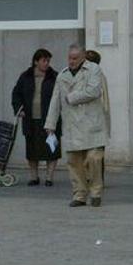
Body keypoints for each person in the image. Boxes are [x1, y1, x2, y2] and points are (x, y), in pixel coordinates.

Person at [45, 44, 109, 207]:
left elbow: (93, 91)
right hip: (72, 124)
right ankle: (79, 194)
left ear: (82, 58)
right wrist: (50, 123)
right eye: (69, 58)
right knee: (74, 161)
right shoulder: (62, 75)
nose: (71, 61)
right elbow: (55, 100)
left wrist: (72, 97)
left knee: (94, 159)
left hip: (91, 123)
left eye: (75, 58)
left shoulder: (93, 70)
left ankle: (96, 192)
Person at [11, 48, 61, 187]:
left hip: (50, 120)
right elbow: (16, 94)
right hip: (31, 119)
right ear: (36, 61)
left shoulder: (54, 76)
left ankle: (49, 177)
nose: (47, 63)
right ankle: (34, 176)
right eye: (44, 60)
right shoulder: (25, 76)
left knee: (52, 148)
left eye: (48, 61)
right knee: (32, 149)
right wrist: (18, 109)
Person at [84, 50, 110, 185]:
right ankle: (96, 179)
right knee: (96, 153)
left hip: (91, 120)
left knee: (91, 152)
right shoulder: (100, 75)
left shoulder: (92, 77)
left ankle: (92, 179)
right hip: (97, 121)